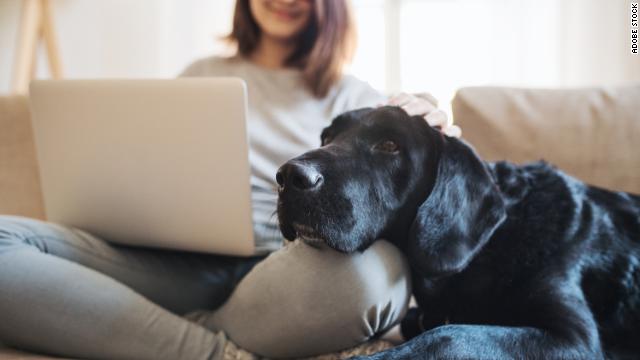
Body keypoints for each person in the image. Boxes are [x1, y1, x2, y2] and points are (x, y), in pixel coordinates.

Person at [0, 0, 460, 359]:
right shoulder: (201, 74)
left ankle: (133, 326)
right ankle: (215, 349)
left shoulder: (355, 96)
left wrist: (435, 125)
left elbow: (413, 160)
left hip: (286, 268)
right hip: (171, 258)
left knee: (373, 280)